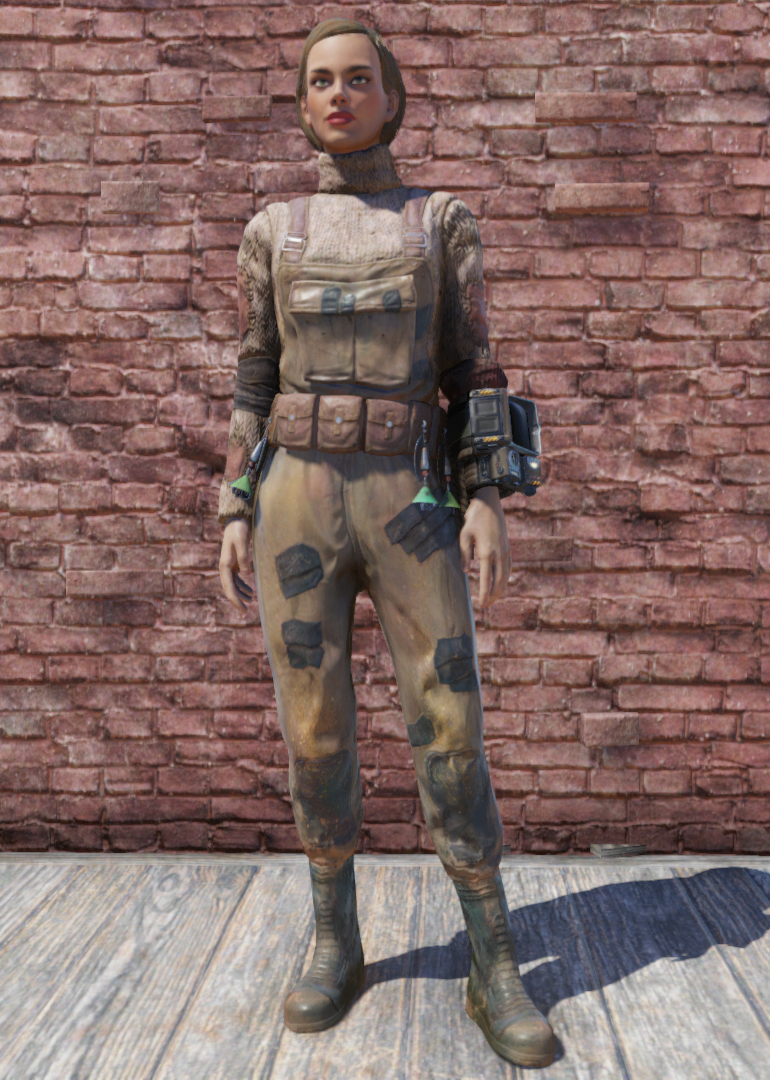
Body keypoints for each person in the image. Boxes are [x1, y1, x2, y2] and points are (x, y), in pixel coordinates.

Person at [217, 17, 555, 1069]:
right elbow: (252, 372)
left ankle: (492, 957)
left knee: (449, 718)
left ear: (392, 96)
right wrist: (233, 500)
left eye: (358, 77)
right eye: (320, 79)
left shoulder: (438, 221)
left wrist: (487, 496)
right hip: (297, 500)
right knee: (313, 728)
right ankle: (336, 937)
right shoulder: (272, 230)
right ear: (299, 102)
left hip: (411, 496)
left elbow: (475, 368)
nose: (338, 94)